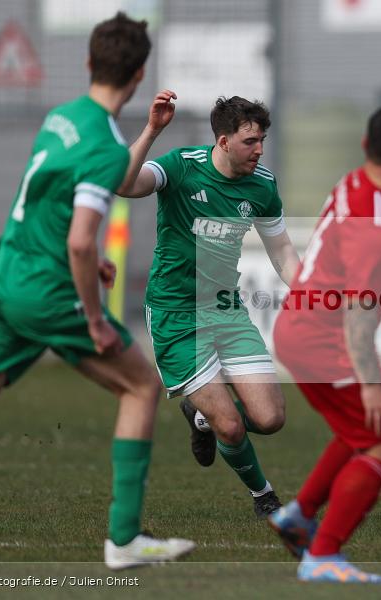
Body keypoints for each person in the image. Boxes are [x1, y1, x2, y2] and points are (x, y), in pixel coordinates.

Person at [0, 13, 195, 568]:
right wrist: (93, 314)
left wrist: (149, 134)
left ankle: (127, 540)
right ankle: (125, 540)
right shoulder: (103, 148)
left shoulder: (61, 117)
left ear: (89, 63)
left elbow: (50, 200)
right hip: (44, 291)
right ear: (139, 75)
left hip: (1, 280)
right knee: (139, 388)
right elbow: (82, 241)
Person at [117, 95, 299, 518]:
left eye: (263, 140)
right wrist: (152, 130)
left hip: (225, 309)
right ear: (223, 141)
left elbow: (283, 251)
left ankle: (199, 417)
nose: (259, 149)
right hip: (175, 314)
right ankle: (264, 496)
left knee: (270, 418)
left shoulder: (262, 185)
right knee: (232, 426)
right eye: (250, 141)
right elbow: (125, 185)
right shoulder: (182, 166)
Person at [268, 105, 381, 583]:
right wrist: (370, 382)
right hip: (323, 338)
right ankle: (323, 554)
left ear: (365, 146)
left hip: (308, 329)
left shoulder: (360, 184)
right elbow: (359, 315)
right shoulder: (375, 225)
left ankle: (299, 514)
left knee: (375, 422)